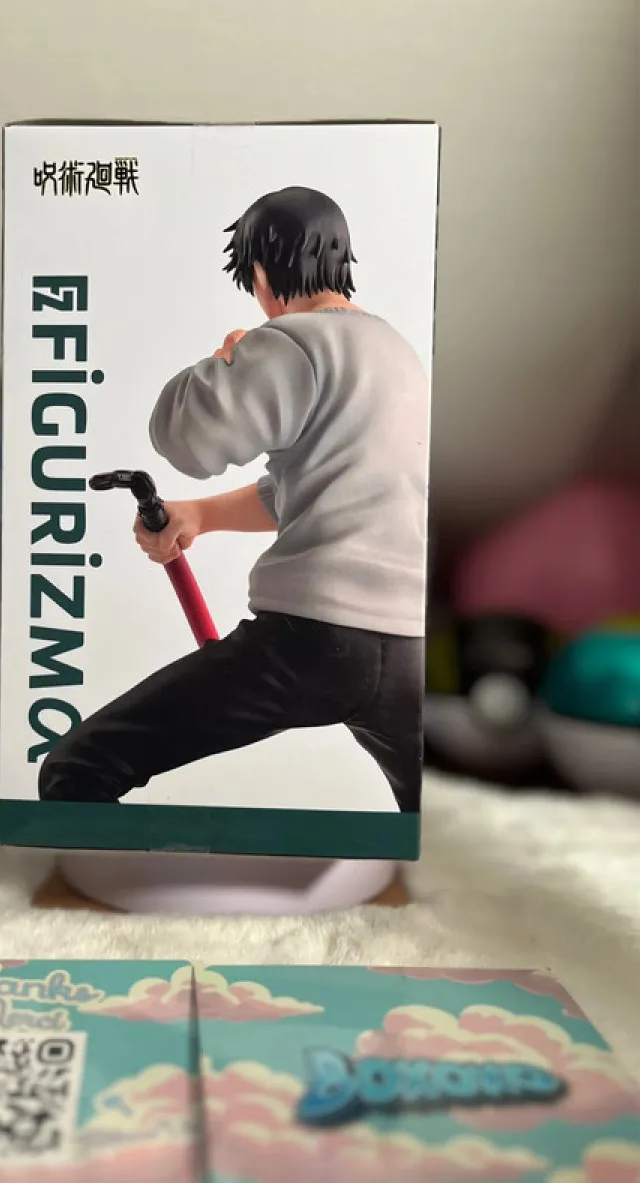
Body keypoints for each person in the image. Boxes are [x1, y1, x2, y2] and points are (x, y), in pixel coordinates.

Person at [38, 185, 429, 813]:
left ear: (263, 272)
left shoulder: (291, 342)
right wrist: (202, 514)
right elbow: (318, 487)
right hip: (409, 648)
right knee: (430, 813)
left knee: (76, 770)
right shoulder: (398, 353)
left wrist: (225, 361)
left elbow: (186, 443)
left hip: (311, 642)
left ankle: (101, 871)